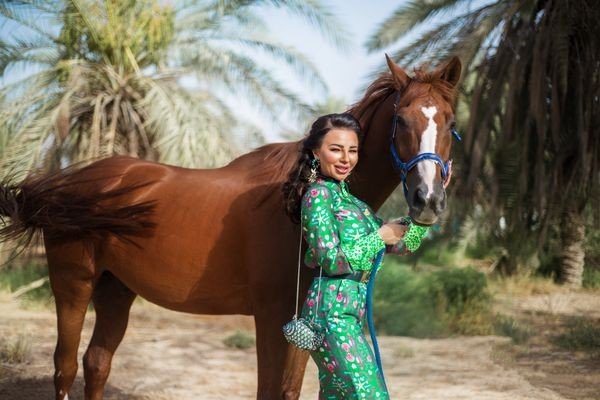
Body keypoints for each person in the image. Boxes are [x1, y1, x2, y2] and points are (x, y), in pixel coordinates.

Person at [282, 113, 409, 399]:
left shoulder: (355, 204)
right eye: (336, 149)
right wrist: (380, 236)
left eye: (352, 151)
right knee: (369, 395)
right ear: (316, 152)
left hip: (353, 312)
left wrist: (427, 214)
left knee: (339, 395)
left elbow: (400, 245)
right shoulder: (317, 196)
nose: (345, 158)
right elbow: (331, 260)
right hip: (329, 313)